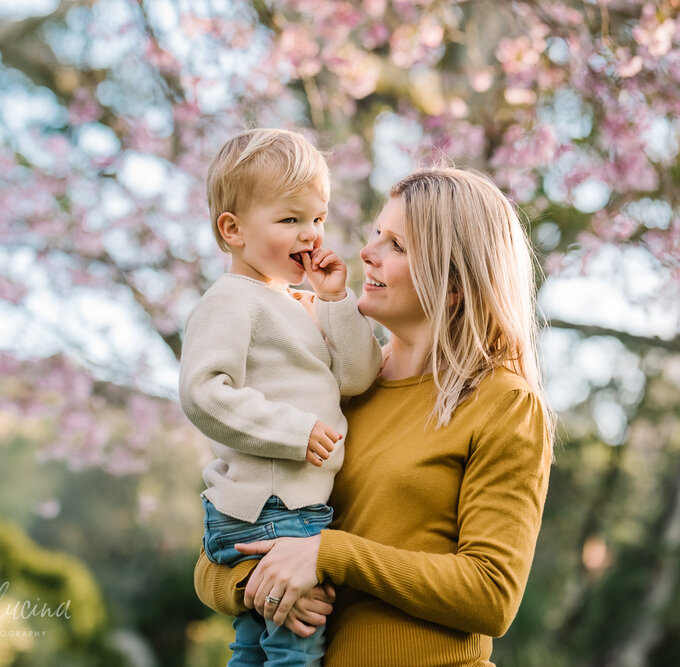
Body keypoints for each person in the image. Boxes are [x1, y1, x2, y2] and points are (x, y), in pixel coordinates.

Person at [194, 167, 556, 666]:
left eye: (398, 246)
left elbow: (491, 595)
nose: (367, 253)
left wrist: (328, 554)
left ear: (453, 283)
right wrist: (259, 583)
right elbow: (213, 561)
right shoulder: (333, 385)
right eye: (376, 235)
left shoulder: (505, 404)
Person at [179, 128, 382, 666]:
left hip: (284, 506)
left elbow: (359, 376)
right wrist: (293, 431)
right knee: (298, 648)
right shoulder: (231, 300)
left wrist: (335, 300)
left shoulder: (295, 303)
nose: (311, 235)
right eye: (290, 220)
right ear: (233, 229)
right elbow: (203, 391)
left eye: (317, 218)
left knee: (254, 647)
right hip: (274, 509)